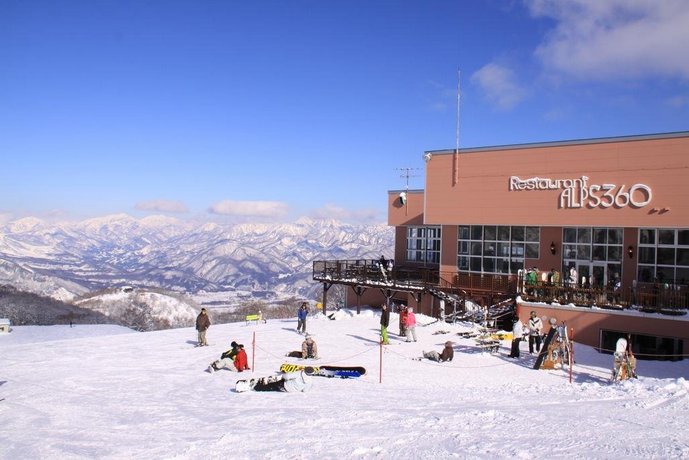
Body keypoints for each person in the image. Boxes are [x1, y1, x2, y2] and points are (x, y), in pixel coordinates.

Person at [239, 371, 312, 393]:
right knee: (273, 388)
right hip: (290, 390)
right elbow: (305, 390)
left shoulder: (299, 373)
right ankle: (257, 387)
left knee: (271, 385)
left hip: (285, 384)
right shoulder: (310, 381)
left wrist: (283, 375)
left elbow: (286, 377)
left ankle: (255, 386)